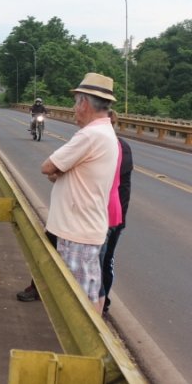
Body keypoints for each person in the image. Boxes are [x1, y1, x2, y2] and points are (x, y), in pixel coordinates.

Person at [41, 72, 119, 314]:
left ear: (84, 103)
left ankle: (88, 349)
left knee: (80, 301)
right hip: (86, 228)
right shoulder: (106, 132)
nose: (74, 109)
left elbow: (48, 167)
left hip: (78, 231)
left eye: (76, 102)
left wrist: (58, 173)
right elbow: (60, 172)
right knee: (92, 290)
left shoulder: (90, 135)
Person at [99, 110, 133, 313]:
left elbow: (119, 184)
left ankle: (103, 302)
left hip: (113, 216)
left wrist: (118, 222)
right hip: (100, 214)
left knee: (104, 261)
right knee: (100, 261)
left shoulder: (120, 147)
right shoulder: (102, 144)